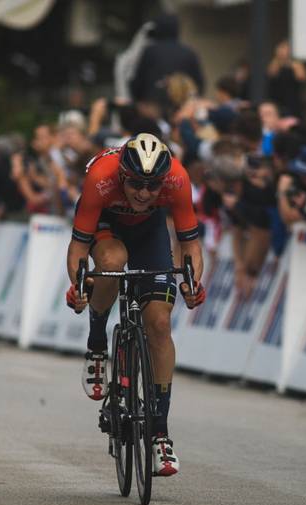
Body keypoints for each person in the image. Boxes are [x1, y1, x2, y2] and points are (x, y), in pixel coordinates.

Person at [65, 133, 206, 477]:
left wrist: (192, 282)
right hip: (106, 229)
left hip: (149, 232)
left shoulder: (177, 178)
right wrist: (79, 285)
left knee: (159, 323)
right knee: (113, 260)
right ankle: (97, 344)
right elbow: (78, 250)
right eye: (136, 185)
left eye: (152, 186)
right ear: (123, 176)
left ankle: (159, 433)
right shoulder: (101, 178)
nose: (144, 193)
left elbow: (190, 246)